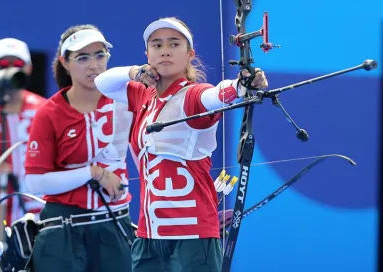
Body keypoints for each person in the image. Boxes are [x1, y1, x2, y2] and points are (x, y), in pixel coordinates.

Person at [94, 17, 268, 272]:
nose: (164, 50)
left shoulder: (195, 94)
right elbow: (103, 82)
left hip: (192, 236)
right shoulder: (143, 93)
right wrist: (134, 72)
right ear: (147, 53)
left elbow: (217, 95)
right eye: (157, 44)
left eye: (174, 44)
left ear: (190, 54)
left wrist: (241, 86)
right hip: (149, 235)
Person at [24, 24, 136, 272]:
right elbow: (35, 183)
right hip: (63, 230)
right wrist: (93, 172)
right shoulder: (48, 113)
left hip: (115, 224)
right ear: (65, 62)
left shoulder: (127, 101)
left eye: (99, 55)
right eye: (82, 57)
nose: (93, 65)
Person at [0, 38, 46, 272]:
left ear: (28, 69)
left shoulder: (45, 110)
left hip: (36, 219)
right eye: (3, 64)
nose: (10, 70)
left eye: (17, 64)